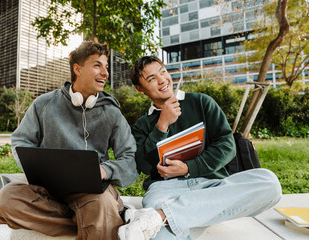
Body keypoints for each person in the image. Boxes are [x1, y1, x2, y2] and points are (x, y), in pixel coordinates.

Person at [118, 56, 282, 240]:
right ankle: (167, 214)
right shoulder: (142, 124)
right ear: (141, 89)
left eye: (163, 72)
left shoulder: (202, 102)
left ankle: (161, 216)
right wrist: (161, 125)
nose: (162, 80)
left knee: (270, 183)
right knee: (159, 230)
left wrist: (190, 168)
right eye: (152, 79)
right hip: (165, 190)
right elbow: (144, 167)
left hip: (211, 184)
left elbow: (227, 144)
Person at [0, 41, 139, 239]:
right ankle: (97, 223)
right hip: (49, 188)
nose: (105, 73)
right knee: (6, 200)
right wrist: (39, 169)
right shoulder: (44, 104)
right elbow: (21, 141)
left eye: (106, 67)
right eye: (97, 65)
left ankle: (101, 218)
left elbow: (130, 156)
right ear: (77, 69)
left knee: (100, 205)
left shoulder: (112, 113)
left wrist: (105, 170)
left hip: (92, 192)